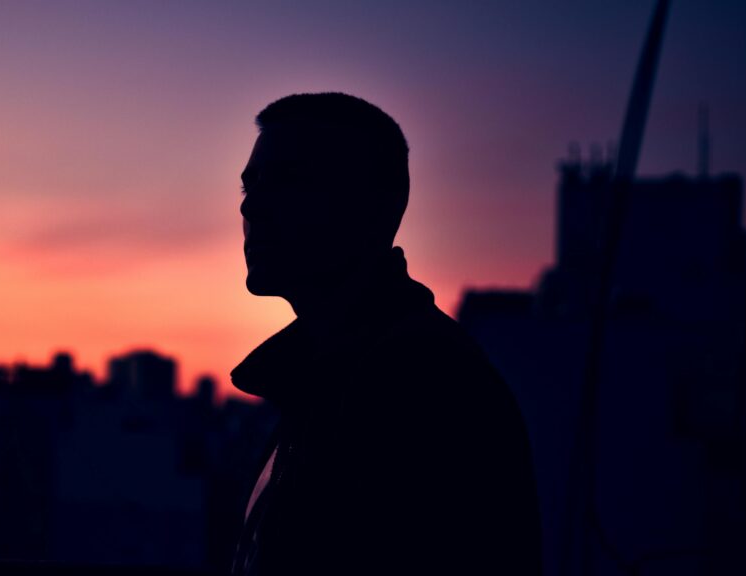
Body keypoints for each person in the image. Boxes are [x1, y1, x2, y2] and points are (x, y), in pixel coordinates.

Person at [230, 93, 542, 575]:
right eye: (250, 188)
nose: (254, 209)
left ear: (374, 207)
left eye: (288, 183)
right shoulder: (329, 378)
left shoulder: (421, 382)